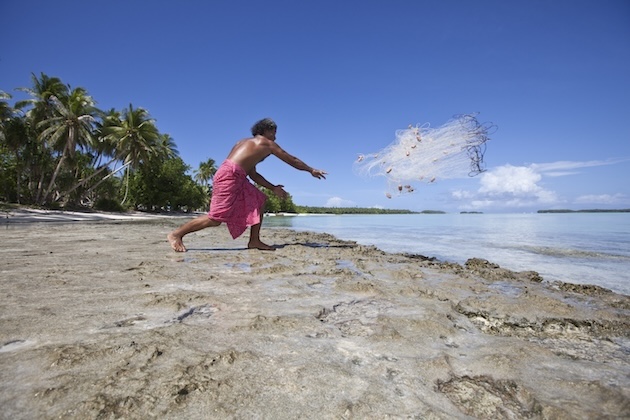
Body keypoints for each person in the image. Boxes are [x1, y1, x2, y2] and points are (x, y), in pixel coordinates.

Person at [167, 118, 327, 252]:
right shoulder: (266, 143)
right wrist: (310, 170)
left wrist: (273, 188)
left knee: (259, 200)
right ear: (265, 130)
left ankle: (254, 241)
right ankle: (177, 234)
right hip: (230, 175)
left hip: (236, 176)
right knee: (216, 219)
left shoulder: (245, 143)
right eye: (274, 133)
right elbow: (290, 159)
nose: (275, 138)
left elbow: (253, 174)